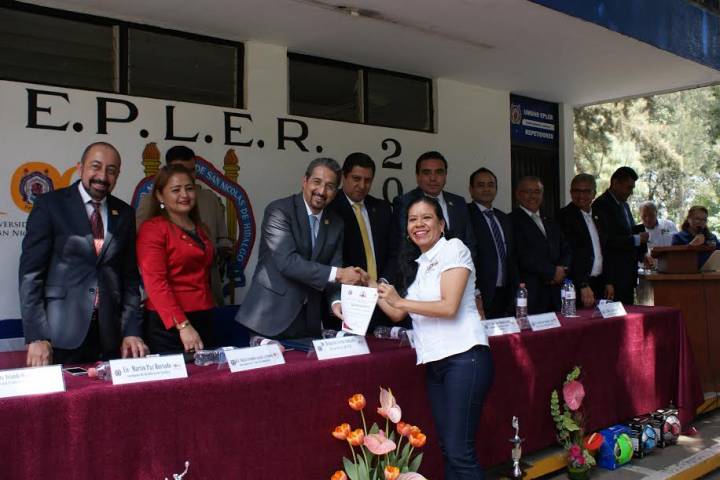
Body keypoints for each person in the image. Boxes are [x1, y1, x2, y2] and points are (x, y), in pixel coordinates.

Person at [376, 196, 493, 480]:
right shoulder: (419, 266)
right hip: (436, 363)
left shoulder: (454, 248)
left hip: (464, 357)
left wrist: (400, 301)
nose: (419, 224)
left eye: (426, 217)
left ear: (441, 224)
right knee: (448, 449)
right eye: (412, 219)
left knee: (460, 452)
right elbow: (396, 313)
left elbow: (448, 306)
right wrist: (368, 285)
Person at [19, 142, 146, 366]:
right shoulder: (50, 205)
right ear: (80, 168)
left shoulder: (124, 213)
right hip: (58, 336)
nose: (102, 176)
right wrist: (36, 336)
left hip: (109, 337)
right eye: (95, 166)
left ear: (118, 175)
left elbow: (129, 278)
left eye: (111, 170)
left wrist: (131, 331)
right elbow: (31, 275)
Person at [235, 158, 368, 339]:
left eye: (330, 186)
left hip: (309, 321)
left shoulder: (336, 223)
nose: (321, 191)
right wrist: (339, 274)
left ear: (336, 192)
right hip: (270, 317)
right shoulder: (279, 211)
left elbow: (335, 268)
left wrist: (336, 301)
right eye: (317, 182)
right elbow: (288, 263)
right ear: (304, 181)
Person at [136, 146, 232, 306]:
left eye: (191, 170)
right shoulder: (150, 201)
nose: (187, 175)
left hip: (207, 295)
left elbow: (222, 239)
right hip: (167, 298)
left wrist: (221, 251)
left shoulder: (209, 199)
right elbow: (142, 249)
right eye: (181, 169)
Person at [136, 165, 216, 354]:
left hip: (205, 316)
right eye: (176, 190)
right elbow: (155, 283)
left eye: (189, 188)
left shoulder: (200, 228)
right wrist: (183, 325)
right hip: (169, 325)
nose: (184, 195)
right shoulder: (153, 229)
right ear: (160, 196)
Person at [327, 152, 396, 328]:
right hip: (346, 301)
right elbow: (328, 258)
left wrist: (382, 282)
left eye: (368, 180)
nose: (362, 185)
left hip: (382, 299)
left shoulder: (381, 208)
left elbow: (394, 251)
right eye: (356, 179)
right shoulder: (330, 208)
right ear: (344, 177)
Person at [393, 151, 476, 253]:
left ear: (445, 175)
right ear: (417, 176)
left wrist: (463, 263)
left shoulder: (459, 202)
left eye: (439, 172)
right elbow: (402, 246)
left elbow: (470, 243)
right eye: (426, 173)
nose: (433, 178)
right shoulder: (404, 202)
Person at [510, 176, 571, 314]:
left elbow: (566, 249)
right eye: (527, 191)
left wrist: (562, 270)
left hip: (556, 295)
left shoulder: (550, 220)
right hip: (531, 296)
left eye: (537, 192)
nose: (533, 196)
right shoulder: (511, 221)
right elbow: (521, 255)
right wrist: (552, 272)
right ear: (518, 194)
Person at [592, 166, 648, 305]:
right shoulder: (601, 205)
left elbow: (628, 231)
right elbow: (606, 241)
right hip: (612, 275)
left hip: (628, 274)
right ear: (615, 183)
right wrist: (636, 239)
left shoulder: (624, 205)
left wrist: (642, 253)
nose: (631, 192)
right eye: (628, 187)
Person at [557, 174, 614, 307]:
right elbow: (569, 253)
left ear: (594, 193)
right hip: (575, 285)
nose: (581, 195)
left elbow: (606, 249)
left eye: (586, 191)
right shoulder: (563, 217)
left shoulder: (600, 215)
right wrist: (582, 284)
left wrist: (608, 281)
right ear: (571, 192)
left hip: (600, 283)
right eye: (576, 191)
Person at [467, 167, 517, 318]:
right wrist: (475, 291)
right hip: (480, 293)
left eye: (490, 185)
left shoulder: (504, 218)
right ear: (471, 189)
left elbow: (511, 256)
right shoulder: (465, 215)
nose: (486, 189)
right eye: (480, 185)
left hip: (506, 293)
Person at [639, 201, 677, 269]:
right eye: (644, 216)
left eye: (651, 215)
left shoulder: (669, 225)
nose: (648, 219)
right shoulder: (637, 231)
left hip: (669, 266)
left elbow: (677, 245)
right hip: (647, 269)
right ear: (640, 216)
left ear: (656, 213)